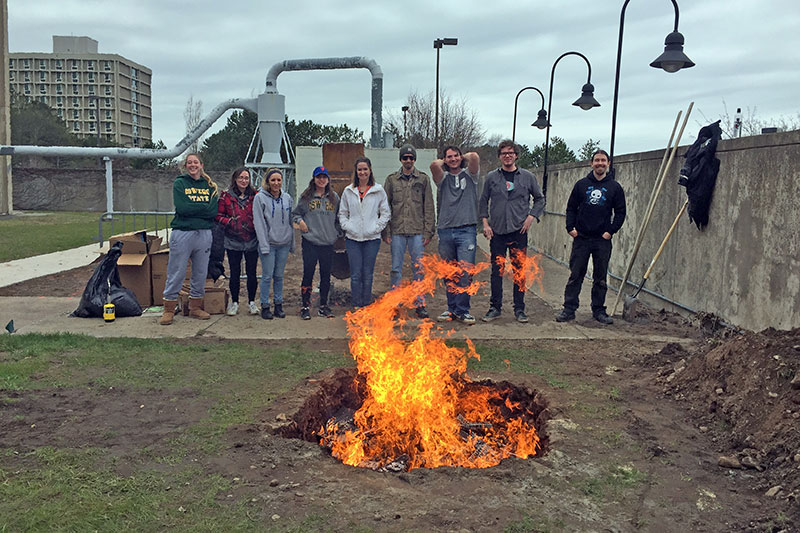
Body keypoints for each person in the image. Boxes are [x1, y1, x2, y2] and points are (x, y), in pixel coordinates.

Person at [555, 149, 626, 325]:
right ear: (591, 163)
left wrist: (611, 231)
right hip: (582, 239)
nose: (600, 163)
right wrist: (570, 228)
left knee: (600, 277)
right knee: (575, 275)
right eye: (597, 160)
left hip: (602, 240)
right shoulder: (581, 185)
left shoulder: (614, 187)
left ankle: (599, 310)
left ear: (608, 163)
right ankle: (569, 309)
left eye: (603, 160)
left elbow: (620, 212)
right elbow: (571, 207)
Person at [479, 140, 545, 323]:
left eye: (510, 153)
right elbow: (483, 201)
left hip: (519, 231)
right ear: (499, 156)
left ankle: (520, 309)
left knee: (519, 271)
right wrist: (485, 223)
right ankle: (495, 308)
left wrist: (532, 217)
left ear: (516, 155)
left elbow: (540, 199)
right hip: (497, 231)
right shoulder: (491, 177)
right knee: (497, 272)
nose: (507, 156)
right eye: (503, 153)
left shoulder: (527, 177)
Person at [160, 153, 220, 325]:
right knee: (176, 271)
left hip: (204, 233)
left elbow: (212, 212)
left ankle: (195, 306)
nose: (193, 165)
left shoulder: (210, 185)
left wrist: (196, 208)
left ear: (201, 165)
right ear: (186, 166)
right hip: (183, 232)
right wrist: (202, 208)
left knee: (200, 271)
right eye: (189, 163)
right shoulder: (180, 183)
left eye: (196, 162)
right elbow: (183, 207)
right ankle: (169, 308)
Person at [382, 144, 435, 319]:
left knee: (418, 269)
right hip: (397, 231)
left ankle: (420, 303)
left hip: (417, 231)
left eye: (411, 158)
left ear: (414, 160)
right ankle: (395, 304)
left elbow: (429, 207)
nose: (408, 161)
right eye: (405, 157)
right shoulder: (391, 180)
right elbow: (385, 207)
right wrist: (386, 231)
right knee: (396, 269)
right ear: (401, 159)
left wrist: (428, 232)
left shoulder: (423, 179)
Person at [429, 145, 481, 325]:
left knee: (465, 271)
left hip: (466, 230)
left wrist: (461, 158)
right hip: (445, 231)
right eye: (449, 157)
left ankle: (463, 310)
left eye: (456, 156)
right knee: (449, 272)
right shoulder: (443, 179)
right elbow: (434, 166)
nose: (453, 159)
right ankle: (451, 309)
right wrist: (445, 161)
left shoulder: (471, 175)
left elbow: (474, 156)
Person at [339, 156, 390, 309]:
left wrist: (376, 228)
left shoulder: (378, 190)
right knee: (355, 274)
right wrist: (348, 226)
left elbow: (385, 213)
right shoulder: (349, 191)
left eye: (365, 169)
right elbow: (342, 213)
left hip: (371, 239)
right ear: (356, 171)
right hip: (353, 239)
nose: (362, 172)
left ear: (370, 170)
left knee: (367, 274)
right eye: (359, 169)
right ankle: (356, 305)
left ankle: (366, 305)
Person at [292, 166, 341, 320]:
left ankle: (324, 305)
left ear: (328, 179)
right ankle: (305, 306)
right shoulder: (306, 198)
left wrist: (337, 233)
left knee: (326, 275)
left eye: (324, 177)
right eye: (318, 177)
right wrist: (300, 222)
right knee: (308, 273)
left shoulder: (334, 198)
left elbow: (340, 218)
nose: (321, 180)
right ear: (314, 179)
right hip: (310, 242)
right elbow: (295, 214)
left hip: (327, 243)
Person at [216, 167, 259, 316]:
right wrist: (231, 222)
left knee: (252, 273)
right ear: (235, 179)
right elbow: (219, 215)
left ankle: (252, 302)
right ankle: (234, 302)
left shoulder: (256, 196)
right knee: (234, 273)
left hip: (251, 240)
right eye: (241, 177)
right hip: (233, 240)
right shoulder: (226, 196)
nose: (244, 180)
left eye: (246, 178)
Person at [253, 168, 295, 320]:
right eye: (273, 180)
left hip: (283, 242)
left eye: (279, 180)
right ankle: (265, 305)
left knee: (279, 276)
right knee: (267, 276)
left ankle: (278, 304)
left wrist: (292, 243)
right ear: (268, 182)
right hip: (269, 244)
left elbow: (291, 220)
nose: (276, 183)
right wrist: (264, 245)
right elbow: (259, 223)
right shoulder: (260, 198)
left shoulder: (287, 198)